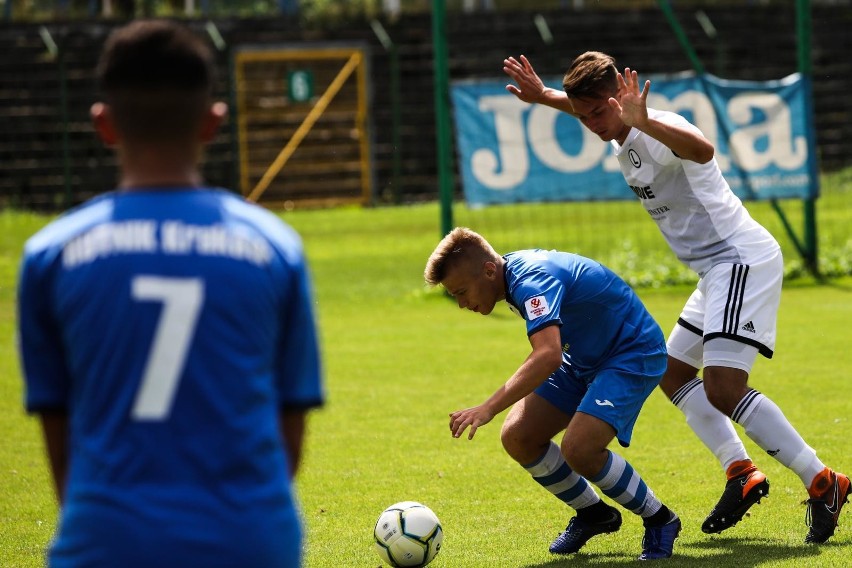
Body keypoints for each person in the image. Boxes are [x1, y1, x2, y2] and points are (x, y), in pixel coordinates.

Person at [502, 51, 849, 544]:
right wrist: (544, 98)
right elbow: (591, 108)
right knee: (673, 371)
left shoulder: (655, 126)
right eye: (584, 116)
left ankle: (822, 481)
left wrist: (644, 121)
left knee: (724, 387)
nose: (593, 124)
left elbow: (704, 149)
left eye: (600, 112)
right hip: (715, 271)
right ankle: (741, 472)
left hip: (738, 260)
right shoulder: (618, 126)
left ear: (621, 97)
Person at [16, 20, 324, 568]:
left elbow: (60, 445)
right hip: (250, 542)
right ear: (213, 122)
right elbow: (289, 437)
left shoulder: (50, 255)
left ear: (103, 125)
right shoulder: (274, 248)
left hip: (106, 544)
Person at [425, 227, 681, 560]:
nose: (461, 304)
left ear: (488, 271)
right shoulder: (507, 275)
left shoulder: (531, 281)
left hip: (631, 352)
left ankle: (660, 519)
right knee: (519, 436)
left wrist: (488, 407)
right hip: (584, 358)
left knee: (580, 449)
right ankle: (593, 514)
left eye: (461, 292)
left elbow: (548, 354)